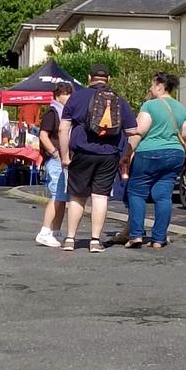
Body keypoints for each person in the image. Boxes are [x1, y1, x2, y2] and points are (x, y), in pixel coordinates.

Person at [59, 64, 138, 252]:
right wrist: (126, 155)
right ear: (108, 80)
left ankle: (70, 239)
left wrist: (64, 156)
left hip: (82, 152)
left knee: (77, 196)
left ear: (89, 78)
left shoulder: (76, 97)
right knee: (100, 196)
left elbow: (63, 129)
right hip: (109, 154)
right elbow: (133, 132)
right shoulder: (119, 100)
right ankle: (95, 241)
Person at [121, 71, 186, 249]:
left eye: (152, 84)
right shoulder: (181, 109)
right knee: (163, 196)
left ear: (160, 86)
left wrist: (126, 155)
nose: (150, 87)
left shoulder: (150, 106)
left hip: (149, 153)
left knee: (136, 191)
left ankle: (136, 235)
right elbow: (185, 137)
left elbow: (140, 131)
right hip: (175, 155)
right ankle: (159, 238)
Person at [35, 82, 73, 247]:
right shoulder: (53, 112)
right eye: (66, 94)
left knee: (62, 197)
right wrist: (54, 152)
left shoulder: (65, 113)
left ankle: (55, 231)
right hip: (56, 158)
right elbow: (43, 135)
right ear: (58, 95)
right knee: (57, 194)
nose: (69, 97)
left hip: (63, 158)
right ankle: (44, 231)